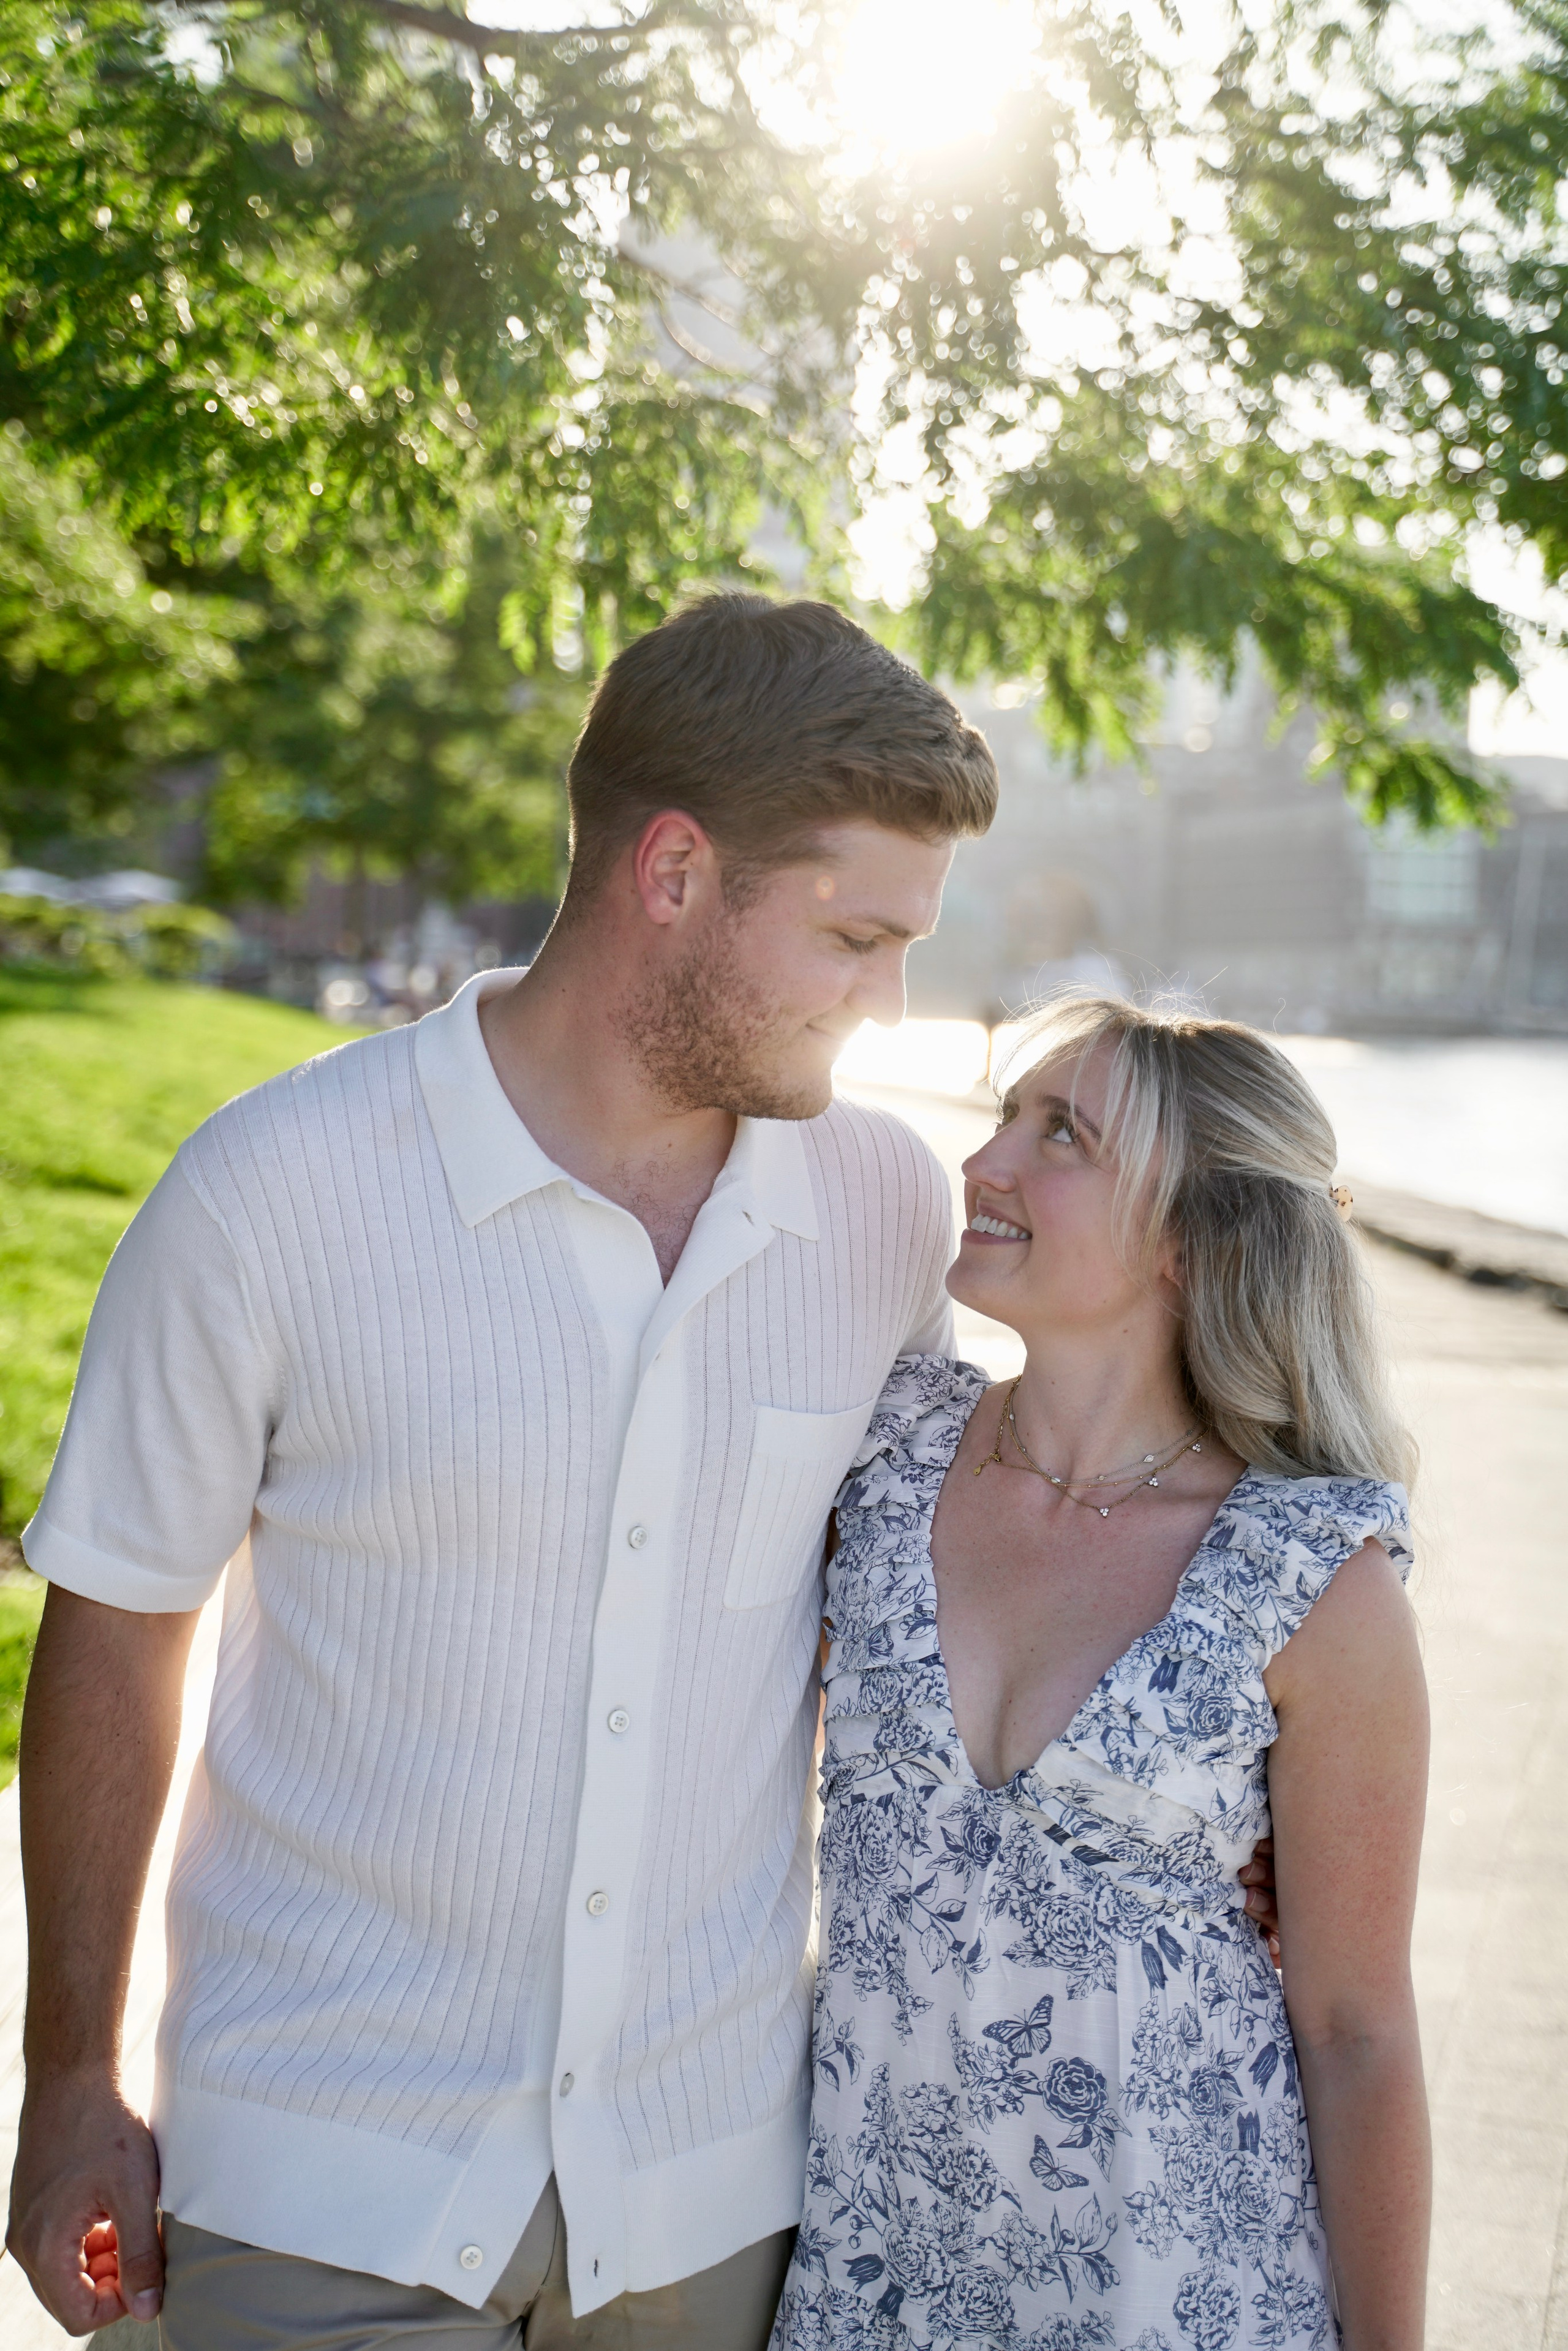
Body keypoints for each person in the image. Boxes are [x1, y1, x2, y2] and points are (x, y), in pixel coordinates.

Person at [9, 595, 996, 2347]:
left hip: (713, 2196)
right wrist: (67, 2067)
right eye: (853, 935)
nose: (889, 1000)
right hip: (322, 2178)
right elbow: (116, 1626)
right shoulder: (269, 1190)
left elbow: (938, 1594)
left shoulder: (886, 1206)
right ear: (674, 871)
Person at [774, 996, 1430, 2351]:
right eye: (1005, 1112)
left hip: (1182, 2293)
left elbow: (1357, 2026)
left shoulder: (1309, 1577)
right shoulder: (880, 1460)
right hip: (873, 2277)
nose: (981, 1164)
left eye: (1056, 1132)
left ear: (1190, 1238)